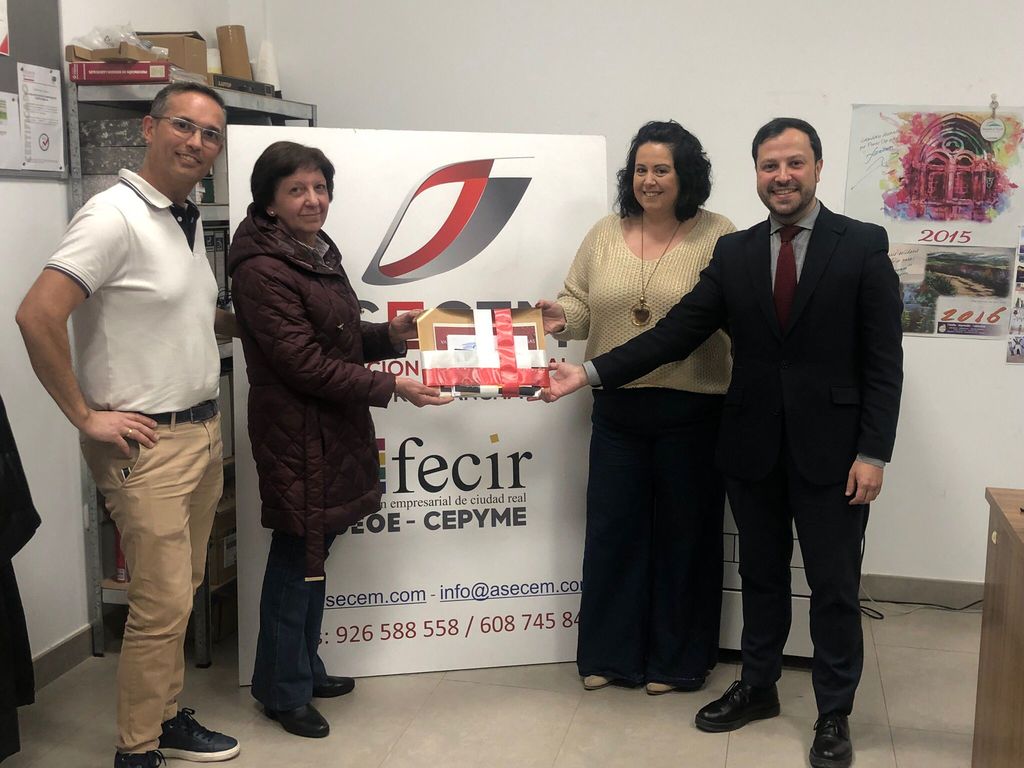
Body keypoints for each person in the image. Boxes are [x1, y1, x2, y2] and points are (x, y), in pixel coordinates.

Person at [543, 118, 903, 768]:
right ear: (757, 174)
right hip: (751, 446)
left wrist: (873, 452)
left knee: (833, 587)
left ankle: (833, 711)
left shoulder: (861, 244)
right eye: (770, 166)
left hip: (834, 454)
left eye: (794, 163)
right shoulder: (735, 253)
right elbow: (676, 332)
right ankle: (758, 686)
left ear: (817, 168)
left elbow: (883, 361)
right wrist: (589, 373)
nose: (782, 177)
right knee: (761, 576)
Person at [16, 83, 241, 767]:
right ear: (149, 128)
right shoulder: (112, 215)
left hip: (201, 432)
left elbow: (186, 314)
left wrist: (264, 322)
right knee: (160, 603)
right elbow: (37, 314)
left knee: (181, 592)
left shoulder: (182, 219)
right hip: (147, 444)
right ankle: (137, 750)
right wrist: (85, 415)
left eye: (211, 134)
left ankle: (165, 718)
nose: (196, 143)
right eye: (184, 125)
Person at [227, 141, 450, 739]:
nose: (313, 200)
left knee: (314, 552)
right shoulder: (262, 269)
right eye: (297, 190)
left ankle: (302, 667)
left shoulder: (315, 251)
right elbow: (302, 364)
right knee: (297, 555)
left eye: (320, 187)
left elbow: (337, 341)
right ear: (269, 202)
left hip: (331, 427)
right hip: (297, 431)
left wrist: (389, 336)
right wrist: (393, 386)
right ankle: (282, 690)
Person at [535, 121, 735, 694]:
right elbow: (580, 305)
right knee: (613, 533)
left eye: (662, 170)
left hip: (693, 409)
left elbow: (727, 314)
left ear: (686, 175)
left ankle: (677, 661)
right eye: (641, 170)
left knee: (685, 538)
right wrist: (562, 319)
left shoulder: (719, 234)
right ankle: (610, 655)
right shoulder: (604, 233)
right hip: (617, 410)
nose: (649, 180)